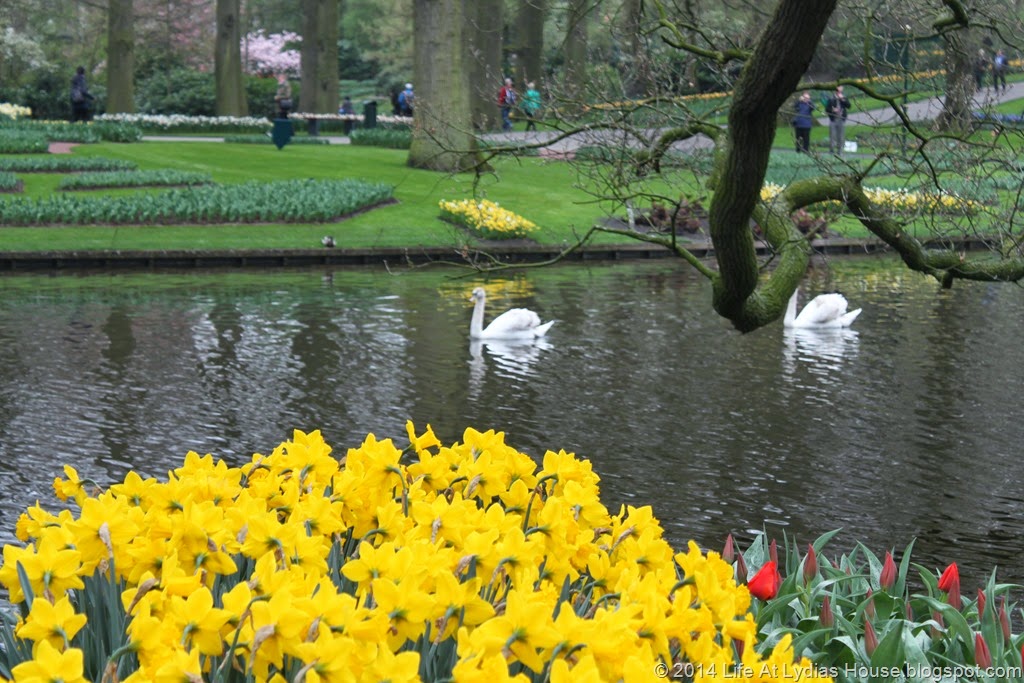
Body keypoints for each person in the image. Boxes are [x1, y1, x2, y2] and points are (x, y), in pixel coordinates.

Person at [825, 85, 851, 155]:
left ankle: (840, 151)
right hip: (833, 120)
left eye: (841, 88)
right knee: (832, 136)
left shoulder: (844, 97)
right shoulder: (831, 98)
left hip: (841, 119)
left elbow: (849, 106)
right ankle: (831, 150)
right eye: (838, 88)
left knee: (841, 136)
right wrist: (833, 110)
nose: (840, 89)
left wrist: (842, 99)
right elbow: (827, 109)